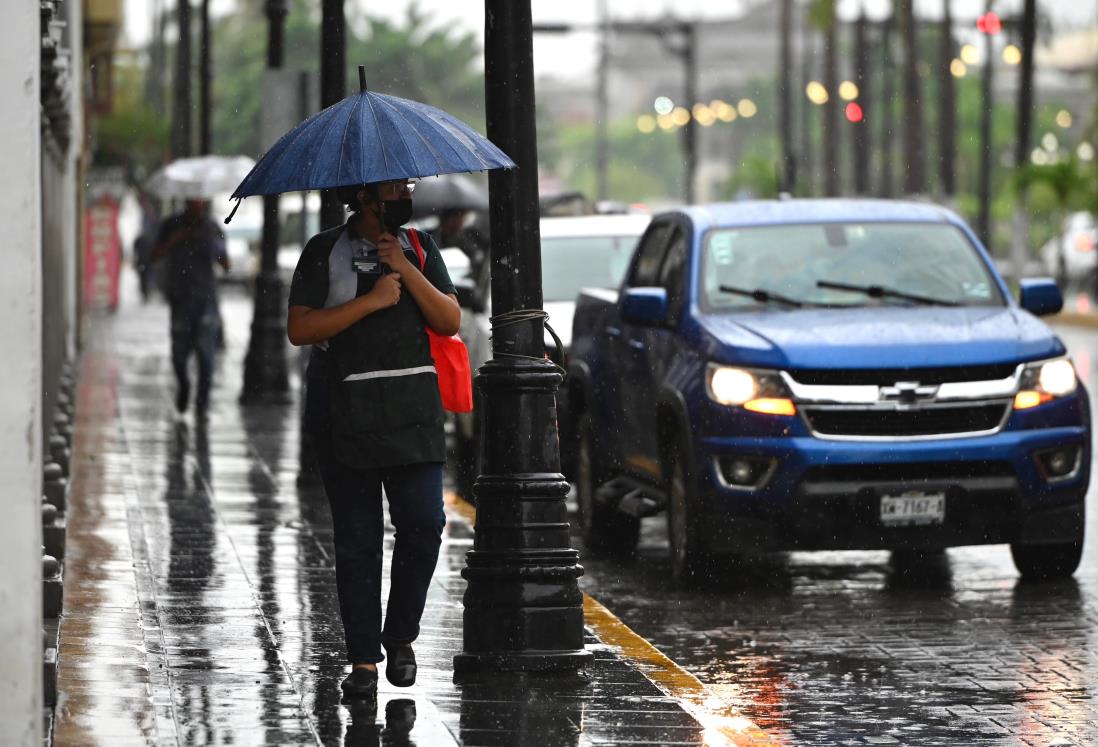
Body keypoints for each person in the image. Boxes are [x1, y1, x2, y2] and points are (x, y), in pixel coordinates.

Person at [286, 178, 459, 698]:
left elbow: (449, 319)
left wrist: (404, 269)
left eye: (408, 184)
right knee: (358, 540)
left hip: (413, 414)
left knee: (424, 524)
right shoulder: (324, 251)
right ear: (363, 196)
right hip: (347, 414)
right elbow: (301, 328)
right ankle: (363, 658)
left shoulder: (420, 247)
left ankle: (400, 637)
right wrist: (374, 300)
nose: (406, 192)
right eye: (394, 185)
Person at [151, 198, 230, 417]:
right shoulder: (171, 225)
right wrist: (176, 239)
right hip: (180, 299)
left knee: (206, 356)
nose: (197, 205)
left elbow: (226, 264)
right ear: (186, 201)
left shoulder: (212, 227)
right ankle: (184, 385)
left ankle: (202, 403)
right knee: (178, 354)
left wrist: (212, 245)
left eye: (200, 202)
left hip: (206, 301)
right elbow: (154, 255)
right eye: (193, 201)